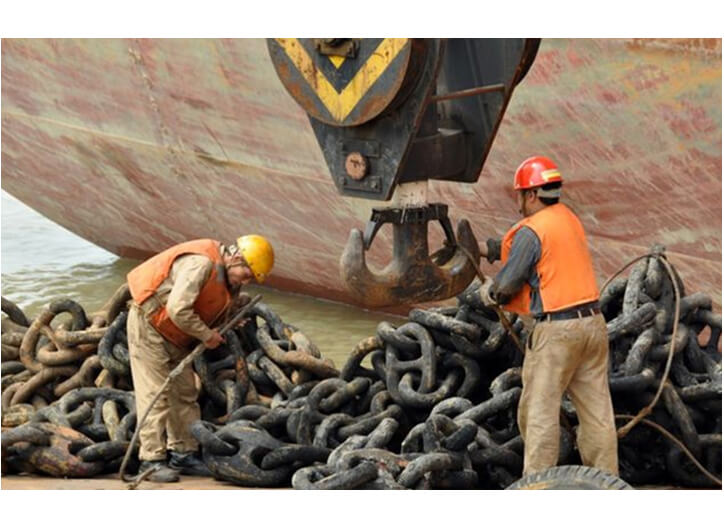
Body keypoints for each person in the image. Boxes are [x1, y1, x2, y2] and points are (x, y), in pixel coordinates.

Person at [478, 156, 618, 477]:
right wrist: (484, 248)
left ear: (531, 195)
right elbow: (532, 252)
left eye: (519, 195)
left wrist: (490, 293)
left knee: (539, 411)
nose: (518, 203)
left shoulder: (532, 230)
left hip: (558, 332)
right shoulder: (568, 219)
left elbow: (506, 285)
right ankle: (606, 483)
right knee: (597, 413)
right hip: (593, 325)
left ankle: (538, 487)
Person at [126, 235, 274, 482]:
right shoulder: (201, 264)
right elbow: (178, 309)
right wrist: (207, 335)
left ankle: (183, 454)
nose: (246, 281)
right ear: (236, 258)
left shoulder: (227, 277)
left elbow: (204, 305)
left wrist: (228, 318)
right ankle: (150, 461)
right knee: (155, 394)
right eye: (246, 275)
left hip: (176, 334)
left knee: (184, 393)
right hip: (149, 327)